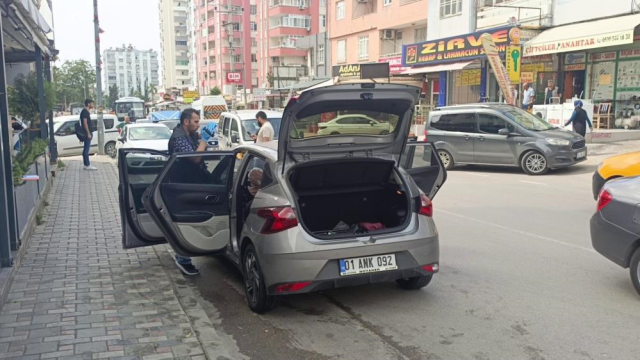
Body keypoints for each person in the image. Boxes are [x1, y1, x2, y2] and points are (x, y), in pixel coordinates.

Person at [167, 108, 207, 276]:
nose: (198, 125)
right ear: (186, 122)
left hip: (190, 183)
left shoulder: (189, 135)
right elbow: (195, 158)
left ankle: (186, 254)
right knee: (185, 223)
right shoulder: (178, 138)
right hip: (181, 185)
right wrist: (203, 144)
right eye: (196, 121)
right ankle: (183, 259)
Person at [80, 99, 97, 170]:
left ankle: (86, 164)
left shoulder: (86, 112)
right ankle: (87, 164)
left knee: (86, 149)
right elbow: (85, 123)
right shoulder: (84, 112)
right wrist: (88, 133)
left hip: (88, 133)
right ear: (88, 104)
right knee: (86, 149)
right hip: (87, 133)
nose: (93, 105)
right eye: (92, 104)